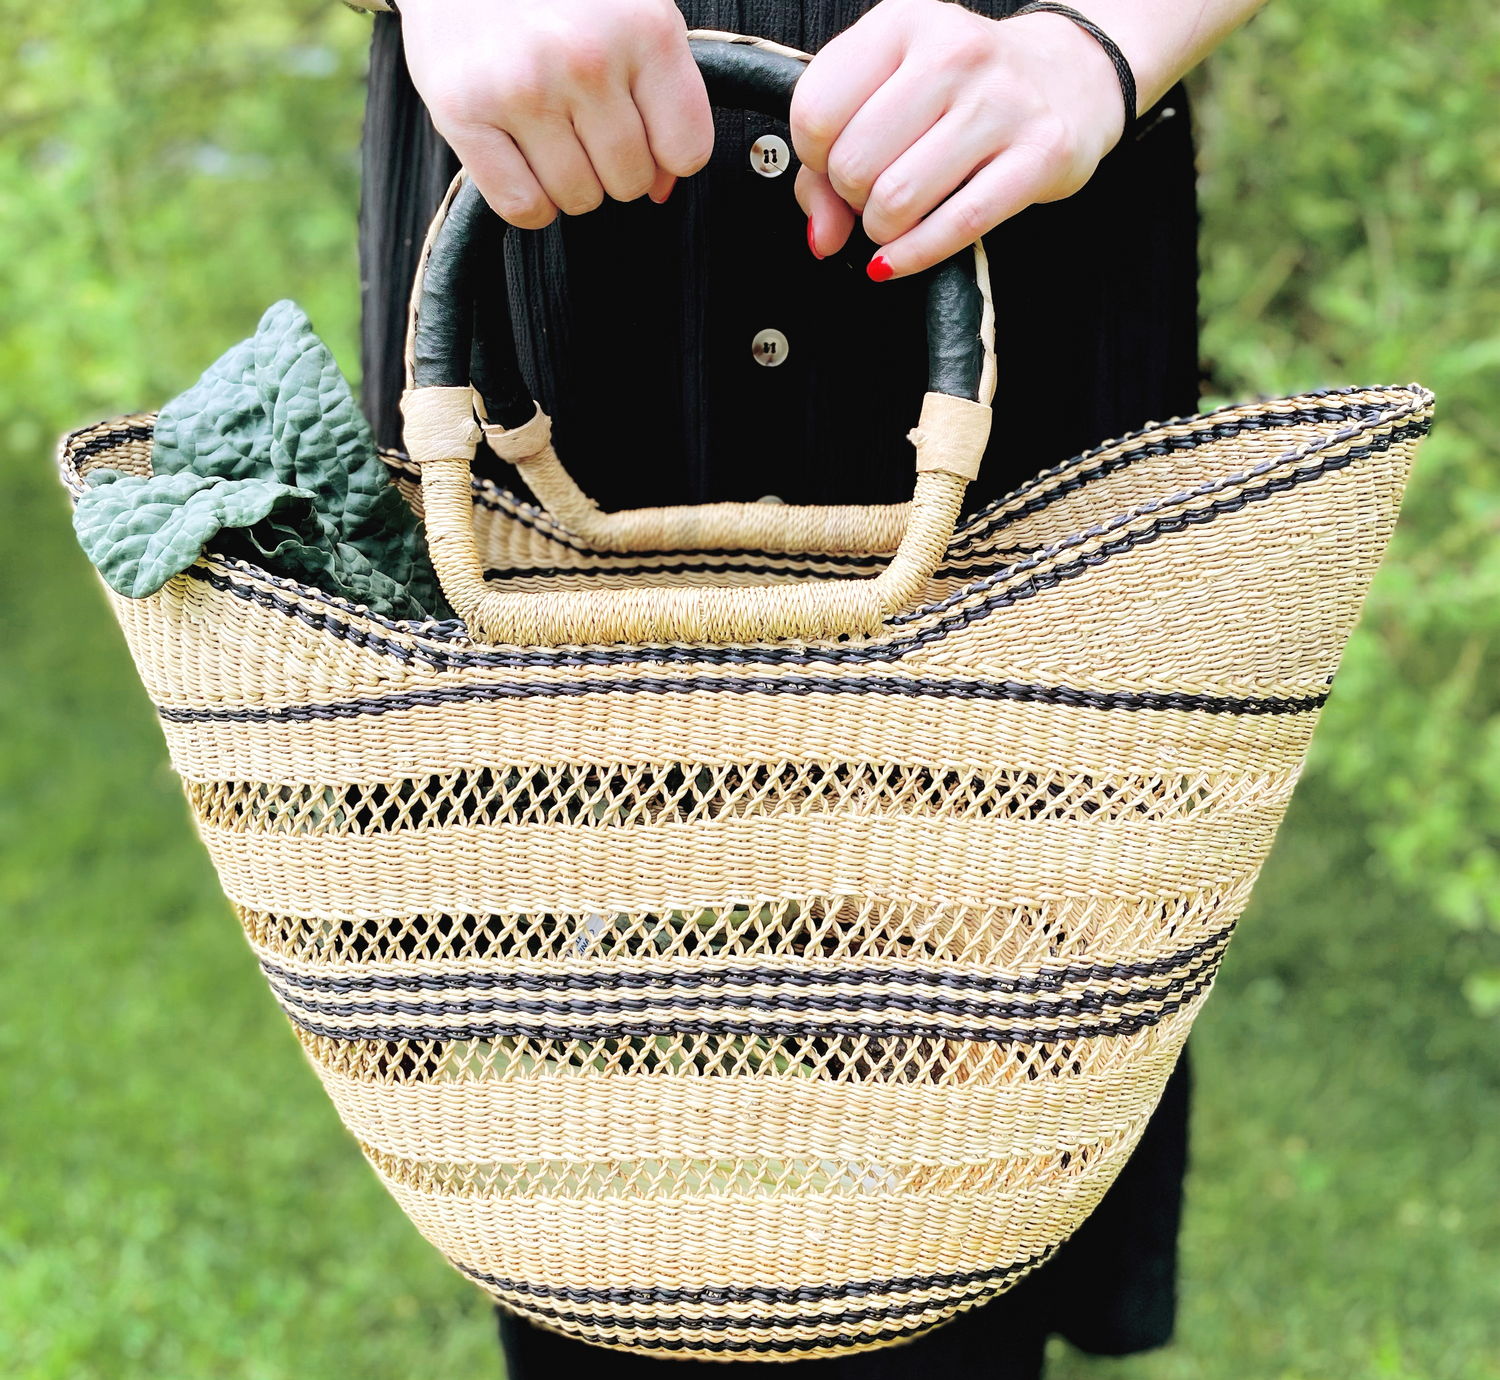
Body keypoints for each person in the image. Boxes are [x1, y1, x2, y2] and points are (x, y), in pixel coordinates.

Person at [347, 1, 1264, 1374]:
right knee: (589, 1160)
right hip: (554, 255)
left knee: (971, 1148)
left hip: (1003, 209)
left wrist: (1098, 38)